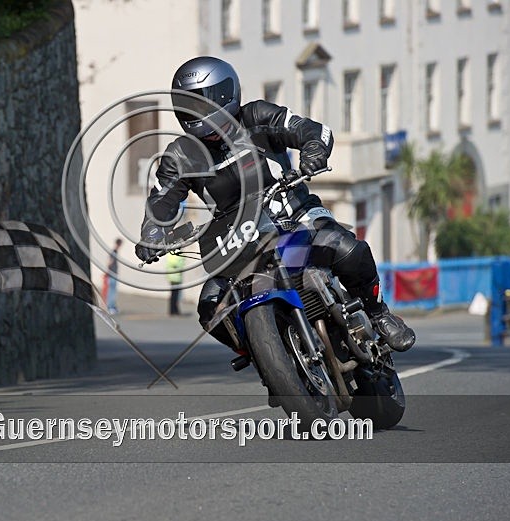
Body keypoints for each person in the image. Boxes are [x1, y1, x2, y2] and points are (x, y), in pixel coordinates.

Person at [134, 56, 415, 352]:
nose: (200, 113)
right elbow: (161, 199)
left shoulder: (257, 116)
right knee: (209, 307)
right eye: (191, 105)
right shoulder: (180, 155)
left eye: (206, 102)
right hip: (237, 241)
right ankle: (260, 352)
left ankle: (379, 314)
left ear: (227, 93)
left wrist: (314, 151)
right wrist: (152, 233)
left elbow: (311, 130)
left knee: (346, 249)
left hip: (296, 215)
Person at [106, 238, 122, 314]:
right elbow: (109, 263)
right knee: (111, 291)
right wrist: (108, 272)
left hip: (113, 274)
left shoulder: (115, 252)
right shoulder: (114, 252)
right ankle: (110, 307)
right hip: (112, 275)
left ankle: (112, 306)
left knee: (113, 291)